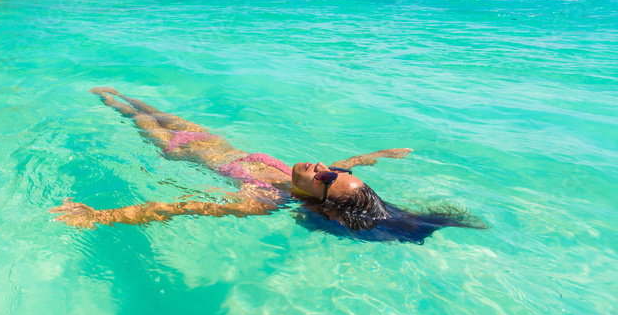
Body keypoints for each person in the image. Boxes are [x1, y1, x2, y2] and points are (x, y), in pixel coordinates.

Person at [51, 88, 483, 243]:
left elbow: (181, 207)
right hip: (210, 139)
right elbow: (350, 162)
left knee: (131, 113)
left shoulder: (264, 199)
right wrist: (383, 154)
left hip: (177, 149)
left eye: (328, 178)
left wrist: (102, 216)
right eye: (336, 171)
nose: (324, 167)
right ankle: (112, 91)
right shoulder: (320, 175)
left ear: (320, 200)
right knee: (148, 104)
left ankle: (100, 96)